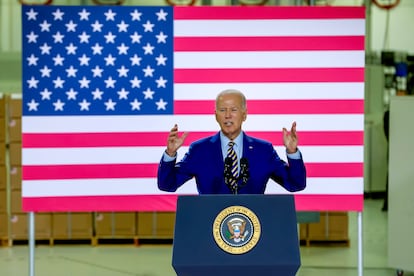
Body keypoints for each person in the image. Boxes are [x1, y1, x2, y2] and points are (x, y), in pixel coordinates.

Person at [157, 89, 306, 194]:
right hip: (210, 228)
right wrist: (170, 153)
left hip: (252, 229)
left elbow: (295, 184)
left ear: (244, 115)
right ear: (216, 116)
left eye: (233, 110)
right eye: (222, 110)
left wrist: (292, 152)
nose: (228, 115)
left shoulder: (263, 150)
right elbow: (167, 185)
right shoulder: (199, 150)